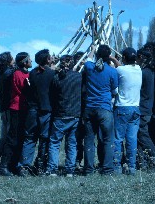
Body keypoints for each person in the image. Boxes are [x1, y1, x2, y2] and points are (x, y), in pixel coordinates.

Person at [17, 49, 55, 176]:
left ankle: (24, 166)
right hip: (46, 109)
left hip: (32, 109)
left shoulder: (32, 74)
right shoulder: (52, 73)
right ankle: (40, 165)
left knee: (30, 138)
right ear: (48, 59)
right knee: (44, 139)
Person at [83, 44, 119, 175]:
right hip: (104, 108)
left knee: (89, 139)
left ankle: (88, 169)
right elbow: (115, 90)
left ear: (98, 55)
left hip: (89, 108)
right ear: (108, 56)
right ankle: (107, 168)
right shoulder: (112, 71)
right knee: (108, 139)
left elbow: (88, 59)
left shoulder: (90, 67)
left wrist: (92, 49)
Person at [46, 55, 82, 177]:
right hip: (75, 114)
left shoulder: (56, 78)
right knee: (72, 143)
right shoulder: (79, 77)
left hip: (60, 114)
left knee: (55, 143)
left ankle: (52, 169)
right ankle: (70, 170)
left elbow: (53, 95)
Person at [0, 52, 32, 176]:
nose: (31, 61)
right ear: (24, 62)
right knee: (12, 137)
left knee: (20, 137)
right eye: (29, 59)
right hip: (16, 108)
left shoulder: (26, 73)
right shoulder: (17, 74)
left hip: (23, 108)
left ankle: (13, 164)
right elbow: (23, 89)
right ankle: (3, 166)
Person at [113, 47, 142, 175]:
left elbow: (119, 68)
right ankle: (132, 167)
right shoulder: (139, 69)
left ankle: (117, 167)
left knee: (118, 138)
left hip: (122, 107)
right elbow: (123, 68)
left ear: (124, 58)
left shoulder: (120, 70)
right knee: (132, 138)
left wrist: (112, 58)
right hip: (135, 108)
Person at [136, 42, 155, 170]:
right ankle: (142, 163)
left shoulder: (143, 72)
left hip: (143, 109)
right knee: (139, 136)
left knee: (143, 136)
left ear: (142, 58)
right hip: (146, 108)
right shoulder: (149, 71)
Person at [0, 52, 15, 171]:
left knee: (3, 137)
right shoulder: (8, 73)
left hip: (3, 109)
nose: (14, 60)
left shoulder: (2, 73)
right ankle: (5, 164)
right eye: (12, 58)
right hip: (9, 109)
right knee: (8, 138)